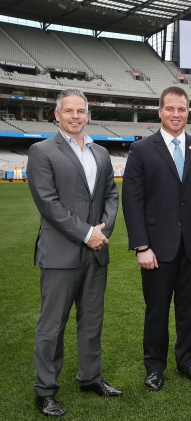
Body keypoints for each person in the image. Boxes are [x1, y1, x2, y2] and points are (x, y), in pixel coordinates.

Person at [122, 86, 191, 391]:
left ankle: (187, 362)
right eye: (170, 109)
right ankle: (154, 367)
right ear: (160, 111)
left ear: (188, 111)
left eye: (181, 109)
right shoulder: (141, 150)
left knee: (189, 310)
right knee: (156, 311)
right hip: (155, 247)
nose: (176, 114)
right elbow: (132, 201)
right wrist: (142, 245)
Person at [26, 88, 121, 417]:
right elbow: (48, 203)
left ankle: (90, 377)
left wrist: (102, 231)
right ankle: (45, 390)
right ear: (57, 115)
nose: (76, 116)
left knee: (92, 321)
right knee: (52, 326)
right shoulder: (41, 151)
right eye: (69, 111)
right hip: (60, 252)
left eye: (81, 110)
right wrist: (86, 233)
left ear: (87, 114)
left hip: (97, 252)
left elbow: (111, 194)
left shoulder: (101, 153)